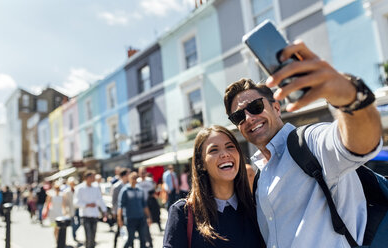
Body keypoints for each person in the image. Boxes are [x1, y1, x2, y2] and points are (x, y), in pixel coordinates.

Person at [223, 41, 382, 248]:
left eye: (255, 106)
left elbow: (358, 143)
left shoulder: (308, 141)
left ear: (277, 108)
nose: (249, 118)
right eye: (238, 117)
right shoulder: (261, 177)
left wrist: (351, 98)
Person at [163, 125, 265, 247]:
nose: (225, 154)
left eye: (230, 147)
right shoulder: (183, 212)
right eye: (214, 150)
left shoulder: (257, 207)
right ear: (201, 163)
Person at [74, 170, 108, 248]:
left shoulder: (96, 188)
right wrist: (87, 205)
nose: (94, 178)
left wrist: (104, 211)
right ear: (87, 177)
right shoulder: (80, 188)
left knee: (93, 236)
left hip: (94, 215)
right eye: (92, 177)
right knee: (88, 236)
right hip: (85, 215)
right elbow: (76, 202)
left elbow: (100, 200)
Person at [118, 171, 152, 248]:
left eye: (136, 178)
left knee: (143, 240)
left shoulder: (140, 190)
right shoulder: (125, 190)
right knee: (130, 239)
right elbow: (120, 206)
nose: (134, 180)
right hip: (130, 219)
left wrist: (149, 217)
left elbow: (144, 205)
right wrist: (119, 219)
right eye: (133, 178)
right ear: (129, 179)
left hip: (141, 218)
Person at [111, 168, 131, 248]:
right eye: (127, 174)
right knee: (119, 230)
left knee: (130, 230)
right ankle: (115, 245)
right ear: (124, 176)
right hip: (120, 212)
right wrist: (115, 213)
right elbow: (114, 201)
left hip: (129, 212)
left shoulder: (129, 185)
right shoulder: (116, 186)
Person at [136, 167, 155, 248]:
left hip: (149, 204)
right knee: (144, 226)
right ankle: (147, 243)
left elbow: (153, 190)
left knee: (147, 224)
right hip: (140, 206)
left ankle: (148, 243)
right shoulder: (137, 182)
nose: (143, 174)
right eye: (141, 173)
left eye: (144, 172)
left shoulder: (149, 181)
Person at [63, 177, 80, 241]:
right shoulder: (67, 191)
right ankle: (74, 235)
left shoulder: (77, 190)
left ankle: (74, 232)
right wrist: (66, 210)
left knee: (79, 223)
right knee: (73, 223)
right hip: (71, 209)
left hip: (77, 208)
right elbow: (65, 202)